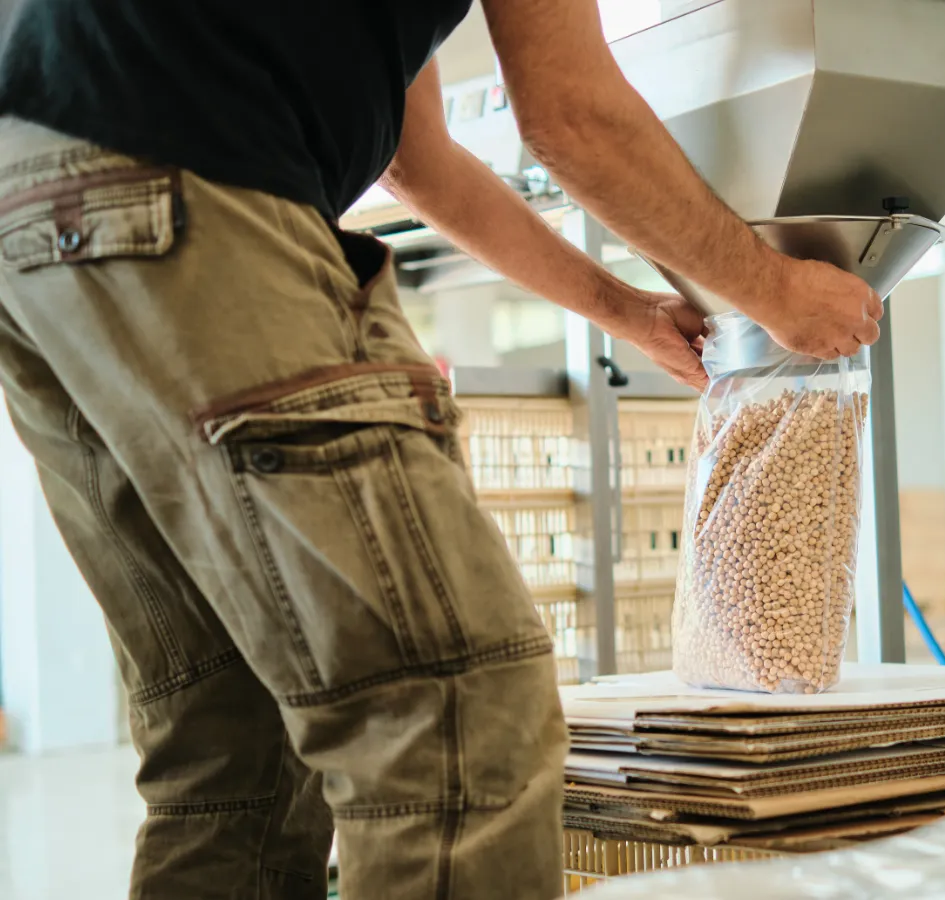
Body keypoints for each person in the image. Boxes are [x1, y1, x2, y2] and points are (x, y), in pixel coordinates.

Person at [0, 0, 883, 897]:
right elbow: (570, 112)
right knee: (458, 720)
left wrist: (634, 313)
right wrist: (773, 290)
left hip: (30, 202)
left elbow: (419, 160)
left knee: (236, 743)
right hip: (189, 162)